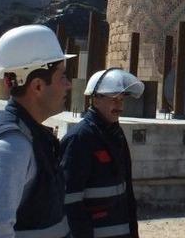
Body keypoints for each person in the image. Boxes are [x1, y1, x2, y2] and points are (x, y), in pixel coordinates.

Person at [0, 24, 74, 238]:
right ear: (38, 86)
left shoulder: (28, 136)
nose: (68, 85)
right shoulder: (11, 148)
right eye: (62, 76)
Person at [60, 68, 144, 238]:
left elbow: (127, 193)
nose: (119, 106)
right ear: (96, 100)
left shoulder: (116, 135)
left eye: (121, 100)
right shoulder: (80, 138)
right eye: (114, 99)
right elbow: (69, 200)